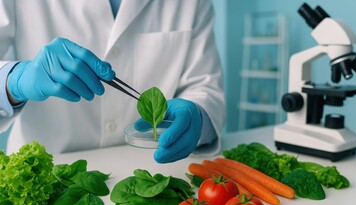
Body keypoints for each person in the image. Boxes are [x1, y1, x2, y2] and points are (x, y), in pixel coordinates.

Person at [0, 0, 225, 163]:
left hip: (144, 172)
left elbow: (204, 87)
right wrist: (13, 80)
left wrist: (198, 118)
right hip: (46, 173)